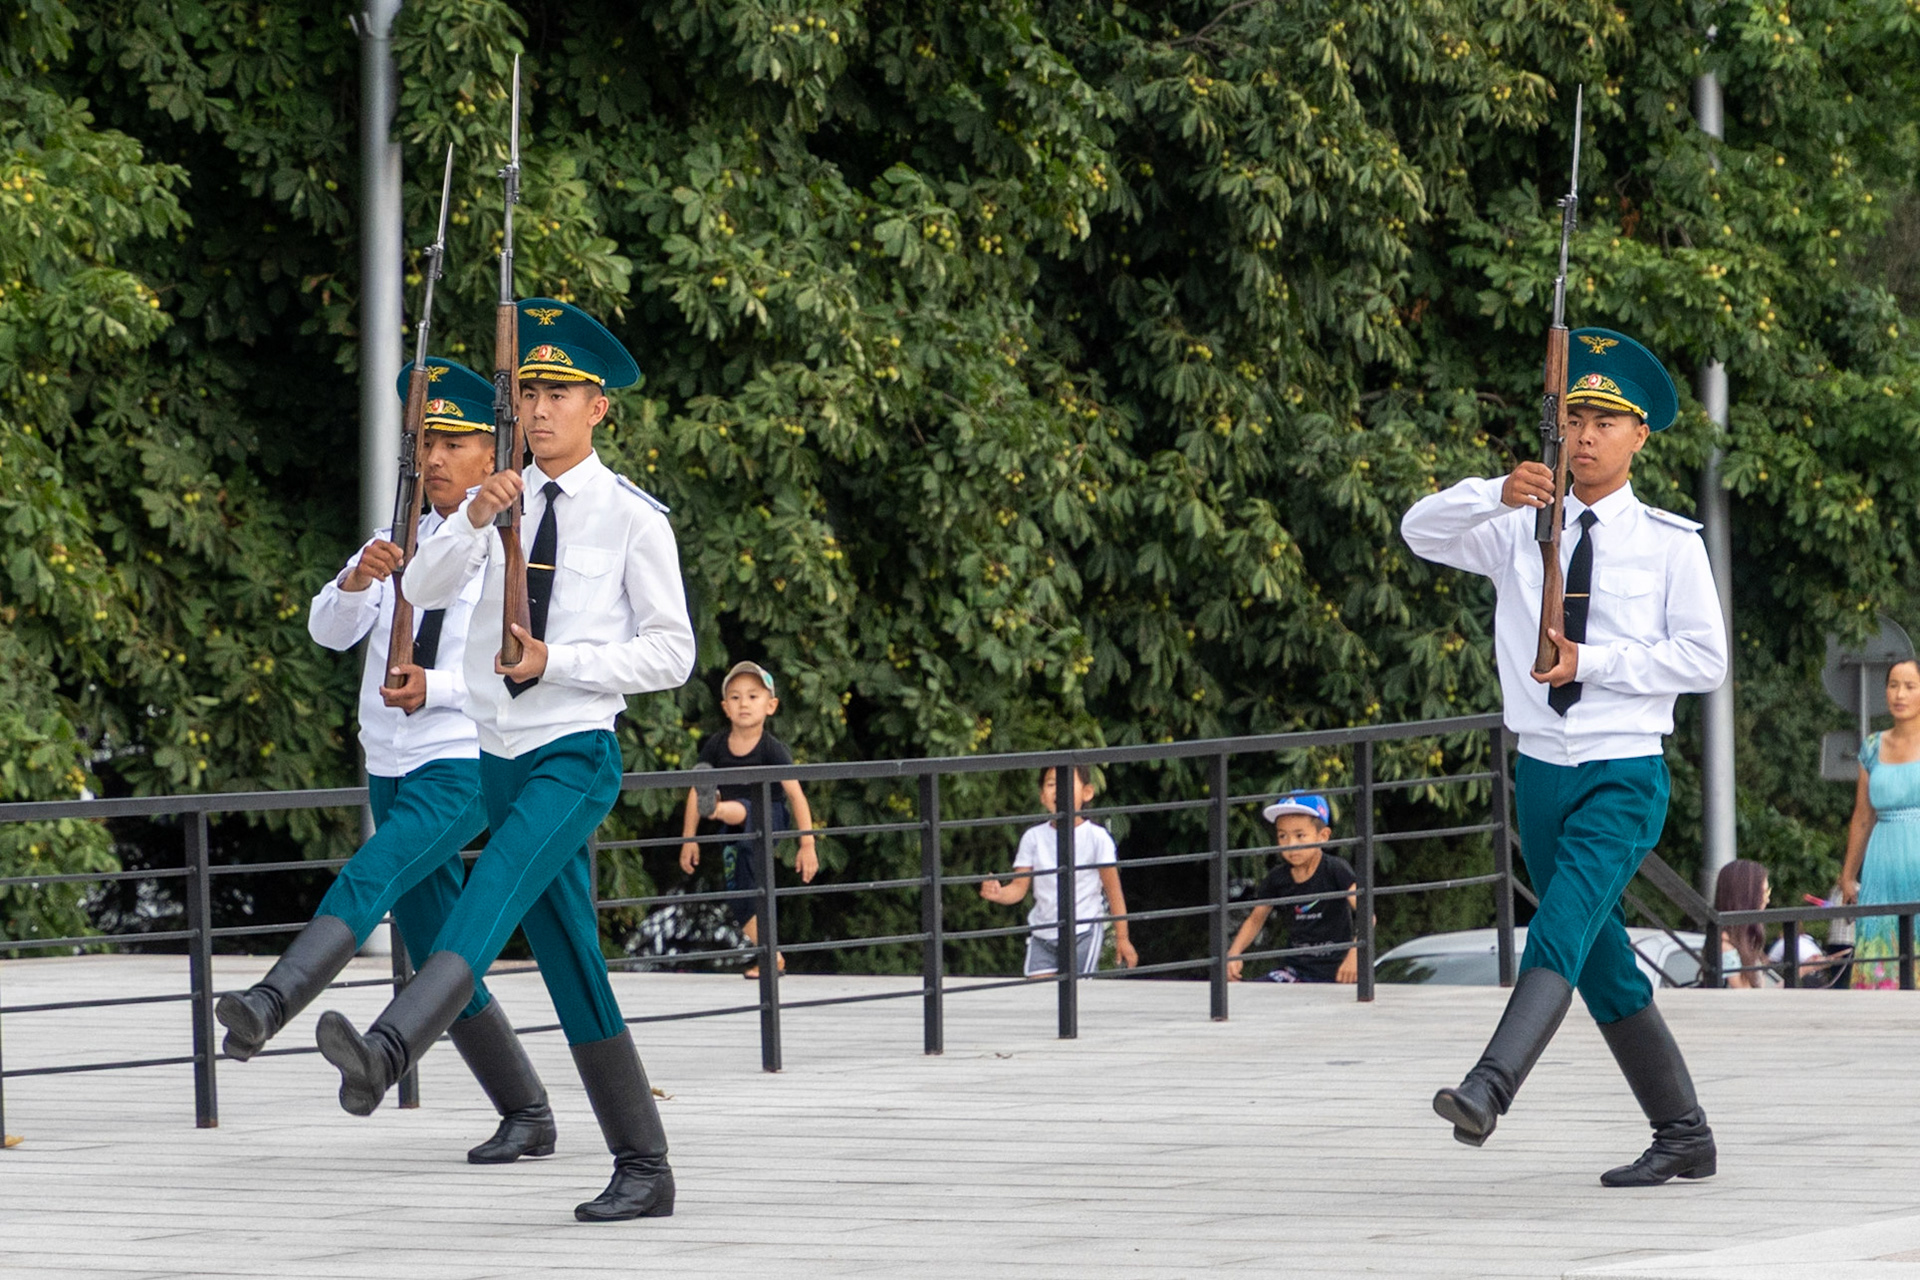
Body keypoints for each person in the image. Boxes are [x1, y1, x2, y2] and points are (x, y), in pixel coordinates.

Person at [314, 299, 696, 1223]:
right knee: (573, 967)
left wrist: (557, 663)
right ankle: (645, 1167)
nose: (538, 409)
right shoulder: (497, 505)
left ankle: (392, 1046)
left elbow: (672, 652)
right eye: (527, 391)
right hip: (499, 751)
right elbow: (427, 584)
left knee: (489, 896)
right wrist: (478, 521)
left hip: (574, 750)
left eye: (558, 392)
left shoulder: (633, 519)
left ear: (598, 408)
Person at [1400, 328, 1729, 1187]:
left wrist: (1596, 664)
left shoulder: (1669, 542)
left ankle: (1489, 1086)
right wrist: (1493, 490)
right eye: (1575, 417)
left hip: (1623, 770)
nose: (1586, 435)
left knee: (1560, 923)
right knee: (1597, 955)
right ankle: (1684, 1135)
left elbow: (1706, 659)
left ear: (1639, 437)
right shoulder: (1519, 527)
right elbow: (1418, 532)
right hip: (1539, 771)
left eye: (1606, 421)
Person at [216, 358, 553, 1164]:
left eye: (455, 441)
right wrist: (355, 577)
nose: (435, 458)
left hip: (460, 759)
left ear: (492, 454)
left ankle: (273, 999)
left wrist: (430, 683)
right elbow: (328, 632)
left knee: (374, 873)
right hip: (391, 761)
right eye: (425, 442)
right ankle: (527, 1112)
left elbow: (507, 668)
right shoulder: (396, 537)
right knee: (442, 952)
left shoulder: (509, 546)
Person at [677, 661, 818, 977]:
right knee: (739, 897)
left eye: (753, 697)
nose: (744, 704)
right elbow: (692, 791)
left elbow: (796, 796)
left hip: (769, 818)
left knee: (742, 806)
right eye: (736, 698)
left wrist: (806, 844)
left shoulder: (772, 749)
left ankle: (714, 807)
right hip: (735, 831)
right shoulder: (716, 745)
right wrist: (689, 839)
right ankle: (772, 956)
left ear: (771, 706)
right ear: (726, 707)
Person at [979, 766, 1139, 977]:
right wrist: (999, 893)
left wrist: (1122, 938)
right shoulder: (1033, 837)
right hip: (1042, 934)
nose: (1058, 790)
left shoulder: (1097, 838)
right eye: (1051, 784)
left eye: (1066, 784)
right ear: (1042, 796)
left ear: (1087, 792)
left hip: (1083, 933)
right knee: (1040, 997)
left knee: (1078, 996)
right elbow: (1019, 888)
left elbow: (1113, 890)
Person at [1840, 658, 1920, 989]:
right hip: (1881, 866)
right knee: (1879, 955)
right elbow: (1862, 817)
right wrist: (1847, 876)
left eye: (1910, 686)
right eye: (1893, 685)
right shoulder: (1872, 746)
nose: (1899, 694)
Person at [1225, 794, 1358, 984]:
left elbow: (1368, 914)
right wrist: (1234, 953)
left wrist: (1354, 956)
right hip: (1294, 971)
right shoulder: (1277, 877)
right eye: (1282, 836)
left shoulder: (1336, 869)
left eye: (1300, 835)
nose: (1291, 845)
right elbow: (1256, 919)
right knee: (1245, 993)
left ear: (1323, 836)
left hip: (1338, 971)